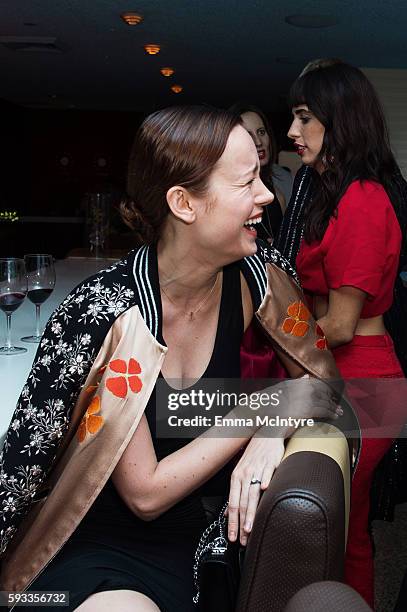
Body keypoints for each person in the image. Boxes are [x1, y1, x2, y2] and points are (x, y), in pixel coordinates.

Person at [0, 106, 340, 612]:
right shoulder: (111, 316)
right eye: (247, 182)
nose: (267, 195)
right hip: (86, 541)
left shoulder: (259, 278)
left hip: (193, 538)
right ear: (183, 203)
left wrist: (275, 427)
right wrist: (259, 411)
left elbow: (327, 384)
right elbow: (146, 493)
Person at [286, 61, 406, 607]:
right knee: (340, 527)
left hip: (364, 378)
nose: (293, 131)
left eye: (305, 117)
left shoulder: (362, 198)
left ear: (340, 122)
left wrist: (273, 333)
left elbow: (337, 326)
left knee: (334, 528)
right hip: (344, 374)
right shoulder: (336, 193)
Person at [229, 103, 293, 240]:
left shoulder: (278, 197)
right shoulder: (230, 198)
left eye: (261, 132)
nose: (258, 142)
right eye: (248, 135)